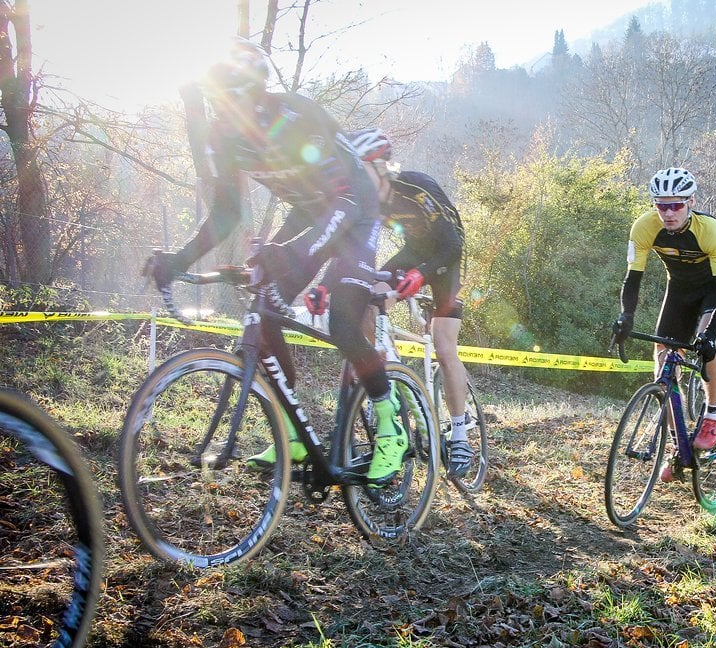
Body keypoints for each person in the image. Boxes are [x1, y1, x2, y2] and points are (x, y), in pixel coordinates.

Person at [146, 40, 405, 484]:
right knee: (264, 300)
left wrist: (294, 252)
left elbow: (345, 198)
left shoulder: (296, 117)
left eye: (237, 96)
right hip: (309, 212)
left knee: (343, 323)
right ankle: (294, 429)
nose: (228, 110)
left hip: (355, 211)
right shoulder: (223, 136)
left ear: (260, 91)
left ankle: (390, 423)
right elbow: (226, 212)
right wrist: (179, 258)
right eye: (219, 101)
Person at [346, 128, 475, 478]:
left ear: (381, 168)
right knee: (366, 292)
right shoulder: (368, 202)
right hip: (414, 253)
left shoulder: (416, 187)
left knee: (445, 346)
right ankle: (384, 377)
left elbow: (453, 243)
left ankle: (461, 433)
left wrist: (422, 274)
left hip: (446, 257)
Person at [612, 167, 716, 480]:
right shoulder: (644, 227)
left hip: (712, 290)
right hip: (679, 290)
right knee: (662, 356)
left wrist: (707, 335)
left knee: (712, 343)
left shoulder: (711, 230)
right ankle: (677, 443)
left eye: (675, 205)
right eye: (660, 205)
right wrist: (626, 316)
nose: (668, 213)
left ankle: (712, 414)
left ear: (691, 201)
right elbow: (633, 278)